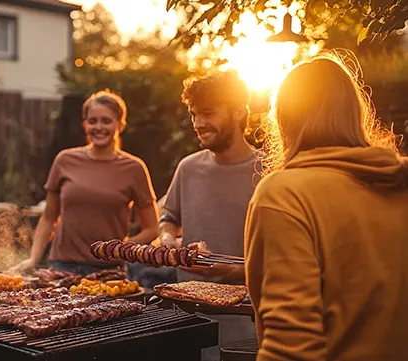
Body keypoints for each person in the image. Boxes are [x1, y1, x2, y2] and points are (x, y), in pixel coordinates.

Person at [245, 52, 408, 361]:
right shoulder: (400, 180)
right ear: (354, 112)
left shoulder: (285, 194)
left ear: (285, 120)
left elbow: (291, 348)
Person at [158, 70, 260, 360]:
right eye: (193, 114)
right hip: (187, 319)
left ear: (239, 112)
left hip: (246, 322)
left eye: (208, 113)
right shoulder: (188, 168)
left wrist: (231, 270)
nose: (199, 124)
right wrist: (167, 237)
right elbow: (169, 216)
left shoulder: (268, 171)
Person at [10, 90, 159, 276]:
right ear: (85, 124)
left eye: (106, 121)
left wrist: (120, 249)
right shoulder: (65, 160)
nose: (99, 127)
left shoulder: (134, 168)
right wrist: (33, 259)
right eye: (92, 121)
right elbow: (49, 217)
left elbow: (152, 229)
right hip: (62, 267)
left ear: (120, 125)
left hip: (109, 272)